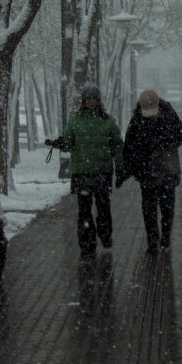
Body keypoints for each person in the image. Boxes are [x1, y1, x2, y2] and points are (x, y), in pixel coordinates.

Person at [46, 83, 123, 257]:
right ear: (83, 100)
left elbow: (117, 146)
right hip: (81, 172)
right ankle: (87, 245)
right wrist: (61, 143)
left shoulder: (108, 121)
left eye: (94, 98)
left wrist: (120, 168)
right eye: (88, 98)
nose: (91, 101)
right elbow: (69, 142)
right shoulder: (75, 121)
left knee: (103, 208)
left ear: (98, 100)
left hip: (102, 171)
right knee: (84, 211)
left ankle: (105, 234)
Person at [118, 88, 182, 254]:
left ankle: (165, 239)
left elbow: (181, 136)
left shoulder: (169, 115)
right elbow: (129, 148)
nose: (150, 114)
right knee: (149, 210)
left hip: (168, 171)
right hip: (147, 172)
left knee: (167, 209)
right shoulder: (136, 121)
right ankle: (153, 242)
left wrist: (163, 142)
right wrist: (125, 170)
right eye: (146, 111)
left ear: (158, 105)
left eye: (152, 110)